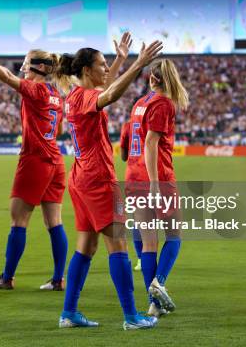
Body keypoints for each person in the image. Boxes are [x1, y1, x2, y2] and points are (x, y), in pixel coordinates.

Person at [54, 34, 164, 330]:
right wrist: (140, 63)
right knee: (119, 247)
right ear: (87, 70)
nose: (106, 69)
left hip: (79, 177)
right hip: (98, 179)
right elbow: (111, 94)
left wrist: (121, 59)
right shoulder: (87, 97)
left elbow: (106, 86)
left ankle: (69, 313)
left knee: (86, 247)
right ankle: (131, 317)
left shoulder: (75, 96)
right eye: (102, 64)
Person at [0, 37, 69, 291]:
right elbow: (58, 130)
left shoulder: (35, 89)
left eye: (26, 63)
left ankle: (7, 277)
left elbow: (6, 77)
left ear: (37, 66)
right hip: (56, 160)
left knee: (19, 220)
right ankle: (59, 279)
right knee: (54, 221)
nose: (23, 68)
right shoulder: (56, 95)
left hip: (35, 160)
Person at [125, 59, 188, 318]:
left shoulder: (140, 103)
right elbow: (151, 143)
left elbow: (130, 142)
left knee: (148, 243)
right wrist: (154, 183)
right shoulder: (163, 104)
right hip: (157, 178)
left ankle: (154, 304)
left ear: (152, 78)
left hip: (133, 176)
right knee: (174, 234)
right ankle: (158, 282)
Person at [119, 120, 143, 272]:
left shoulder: (128, 125)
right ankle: (150, 257)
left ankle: (141, 258)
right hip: (152, 171)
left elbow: (123, 156)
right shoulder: (153, 120)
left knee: (137, 218)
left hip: (133, 174)